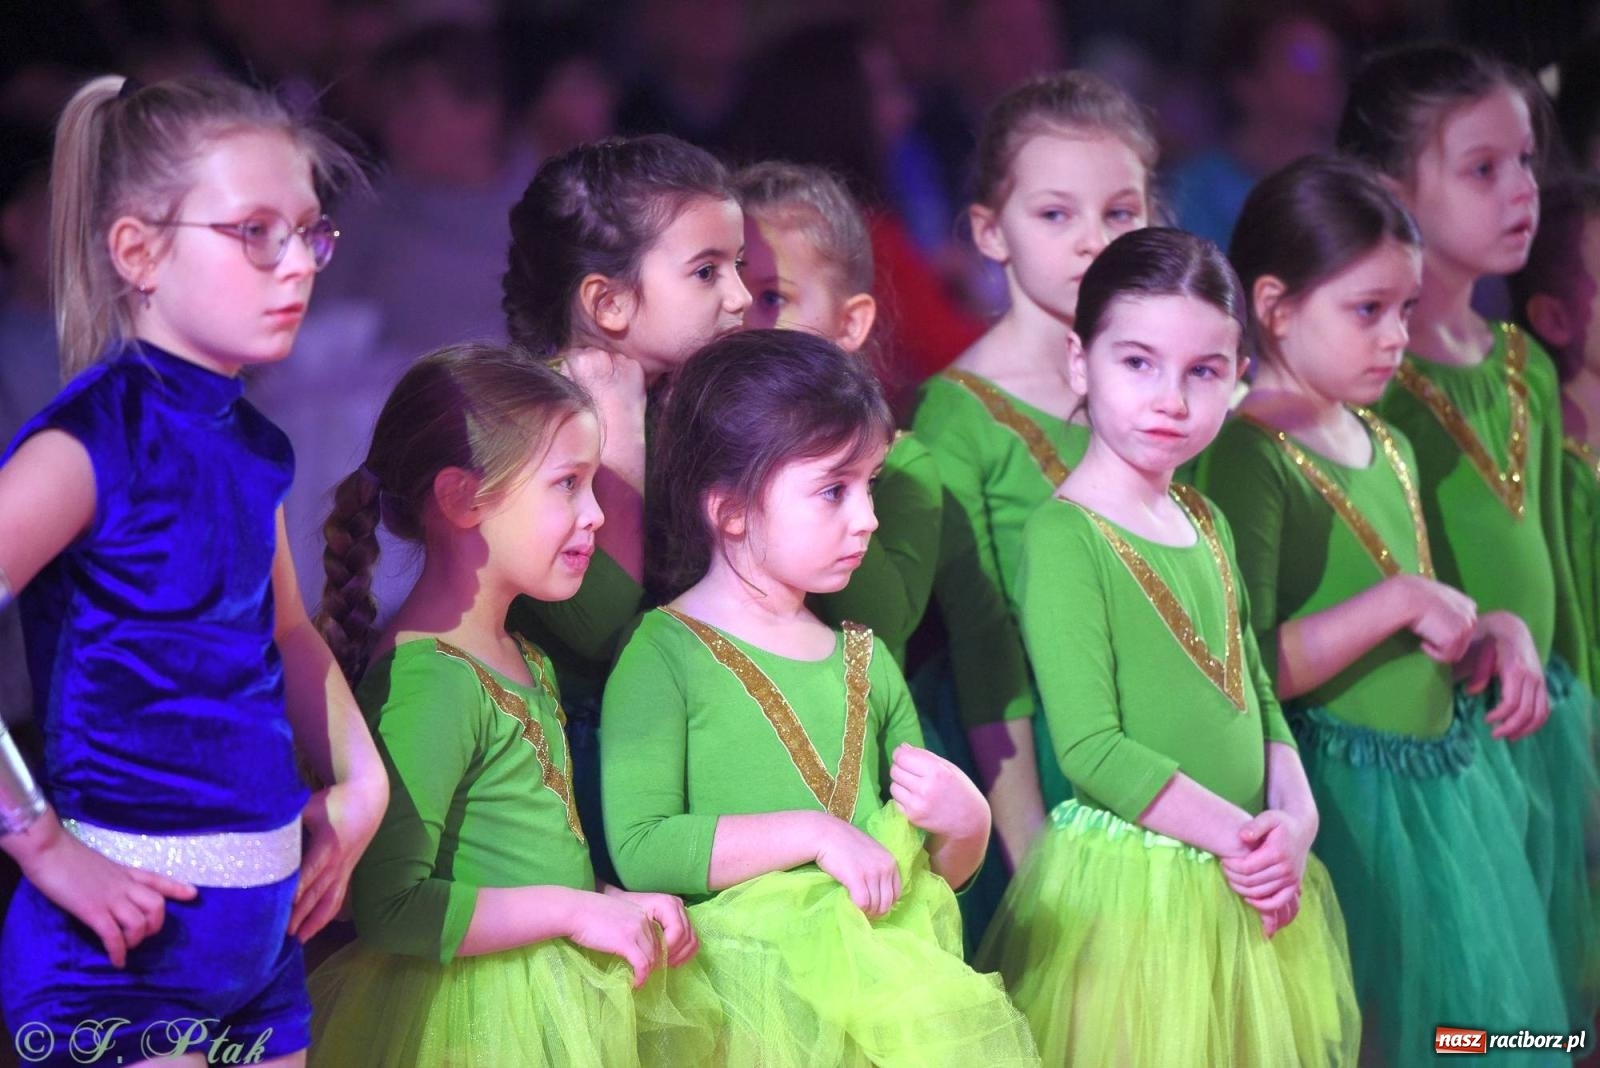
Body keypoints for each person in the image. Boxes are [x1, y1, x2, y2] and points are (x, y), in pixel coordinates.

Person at [0, 74, 387, 1067]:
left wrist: (363, 779)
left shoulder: (248, 446)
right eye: (256, 232)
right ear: (138, 251)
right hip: (118, 955)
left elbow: (287, 632)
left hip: (259, 948)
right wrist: (40, 842)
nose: (296, 264)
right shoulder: (88, 446)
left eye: (309, 233)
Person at [1203, 154, 1567, 1064]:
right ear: (1276, 307)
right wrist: (1397, 601)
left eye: (1404, 310)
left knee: (1475, 1032)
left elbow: (1434, 609)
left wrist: (1500, 630)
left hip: (1447, 793)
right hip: (1349, 809)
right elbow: (1242, 668)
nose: (1397, 337)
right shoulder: (1249, 454)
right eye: (1367, 311)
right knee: (1386, 1030)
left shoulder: (1386, 437)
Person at [975, 227, 1360, 1065]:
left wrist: (1296, 819)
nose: (1171, 400)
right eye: (1138, 363)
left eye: (1203, 372)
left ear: (1238, 379)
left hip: (1241, 869)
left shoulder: (1208, 520)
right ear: (1081, 363)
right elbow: (1089, 747)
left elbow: (1255, 693)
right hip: (1139, 892)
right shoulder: (1065, 534)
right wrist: (1241, 837)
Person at [602, 329, 1038, 1066]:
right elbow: (643, 848)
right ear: (731, 510)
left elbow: (912, 875)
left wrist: (966, 826)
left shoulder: (866, 661)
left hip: (884, 1020)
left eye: (870, 484)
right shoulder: (664, 653)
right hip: (740, 1017)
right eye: (834, 490)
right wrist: (815, 832)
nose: (867, 516)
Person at [308, 345, 707, 1066]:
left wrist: (611, 900)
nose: (593, 515)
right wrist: (576, 909)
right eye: (568, 485)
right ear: (463, 498)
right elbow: (391, 906)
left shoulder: (526, 657)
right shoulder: (430, 681)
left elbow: (521, 863)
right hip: (473, 1030)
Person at [1340, 43, 1599, 1024]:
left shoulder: (1524, 364)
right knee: (1467, 1020)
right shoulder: (1372, 385)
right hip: (1453, 745)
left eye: (1526, 161)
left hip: (1548, 722)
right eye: (1481, 168)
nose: (1520, 190)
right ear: (1387, 186)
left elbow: (1562, 586)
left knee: (1553, 1011)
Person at [909, 70, 1157, 867]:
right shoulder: (961, 413)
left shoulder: (1172, 387)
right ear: (990, 231)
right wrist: (1026, 840)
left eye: (1120, 213)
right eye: (1055, 214)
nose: (1094, 239)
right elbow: (985, 647)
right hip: (1052, 759)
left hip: (1175, 734)